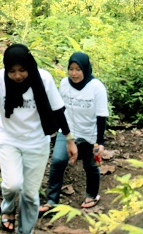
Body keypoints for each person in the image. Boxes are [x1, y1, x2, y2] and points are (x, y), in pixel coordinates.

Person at [0, 44, 78, 234]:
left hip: (36, 141)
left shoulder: (43, 78)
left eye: (22, 70)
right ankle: (7, 209)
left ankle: (25, 230)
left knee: (30, 194)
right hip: (9, 138)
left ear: (29, 66)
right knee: (12, 185)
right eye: (13, 71)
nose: (17, 76)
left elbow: (58, 110)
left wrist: (69, 139)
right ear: (6, 69)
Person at [39, 52, 109, 213]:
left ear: (85, 69)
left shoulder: (96, 87)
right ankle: (52, 200)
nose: (74, 73)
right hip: (68, 132)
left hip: (90, 134)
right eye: (71, 69)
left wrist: (100, 142)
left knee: (91, 165)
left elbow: (101, 116)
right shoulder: (64, 83)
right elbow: (58, 108)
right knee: (57, 161)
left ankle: (92, 195)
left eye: (78, 69)